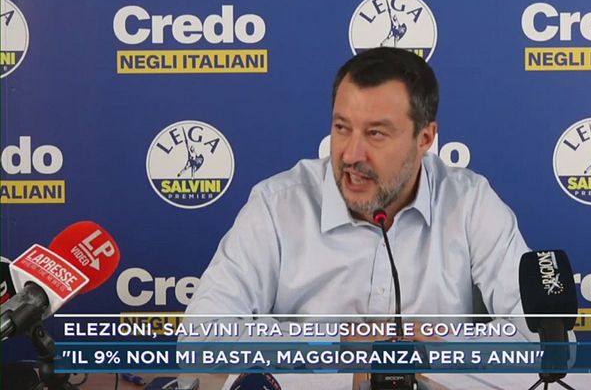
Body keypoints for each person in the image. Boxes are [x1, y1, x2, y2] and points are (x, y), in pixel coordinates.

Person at [185, 47, 535, 344]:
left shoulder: (470, 203)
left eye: (376, 134)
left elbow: (544, 336)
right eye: (342, 128)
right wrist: (333, 343)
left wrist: (440, 346)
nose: (351, 154)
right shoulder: (277, 205)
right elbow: (201, 335)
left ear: (425, 139)